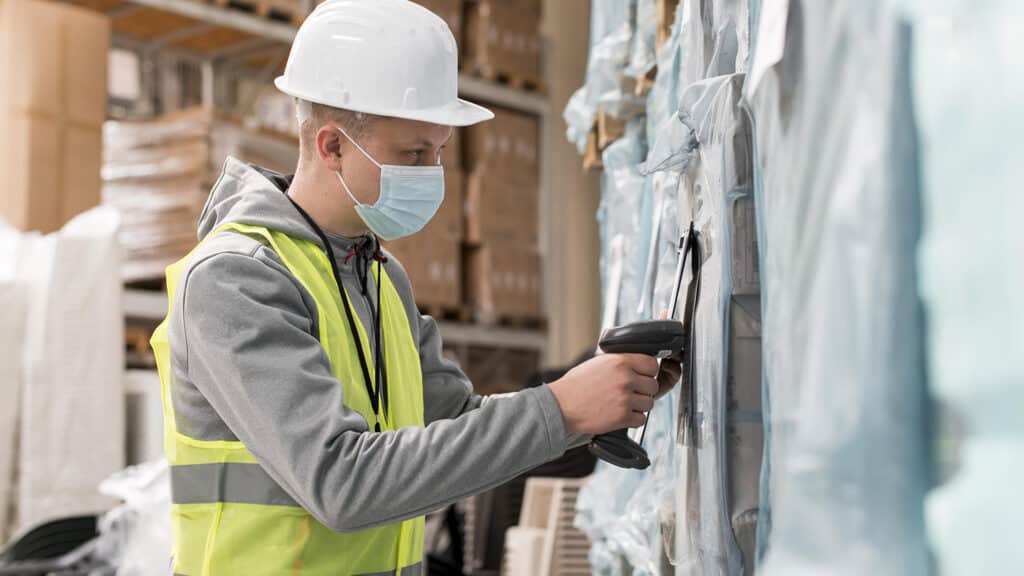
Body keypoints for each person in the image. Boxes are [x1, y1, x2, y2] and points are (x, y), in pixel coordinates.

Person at [149, 0, 682, 574]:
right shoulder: (235, 280)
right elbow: (341, 483)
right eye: (413, 154)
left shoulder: (376, 274)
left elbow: (455, 424)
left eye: (438, 153)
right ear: (331, 146)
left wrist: (601, 402)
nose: (431, 174)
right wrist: (561, 411)